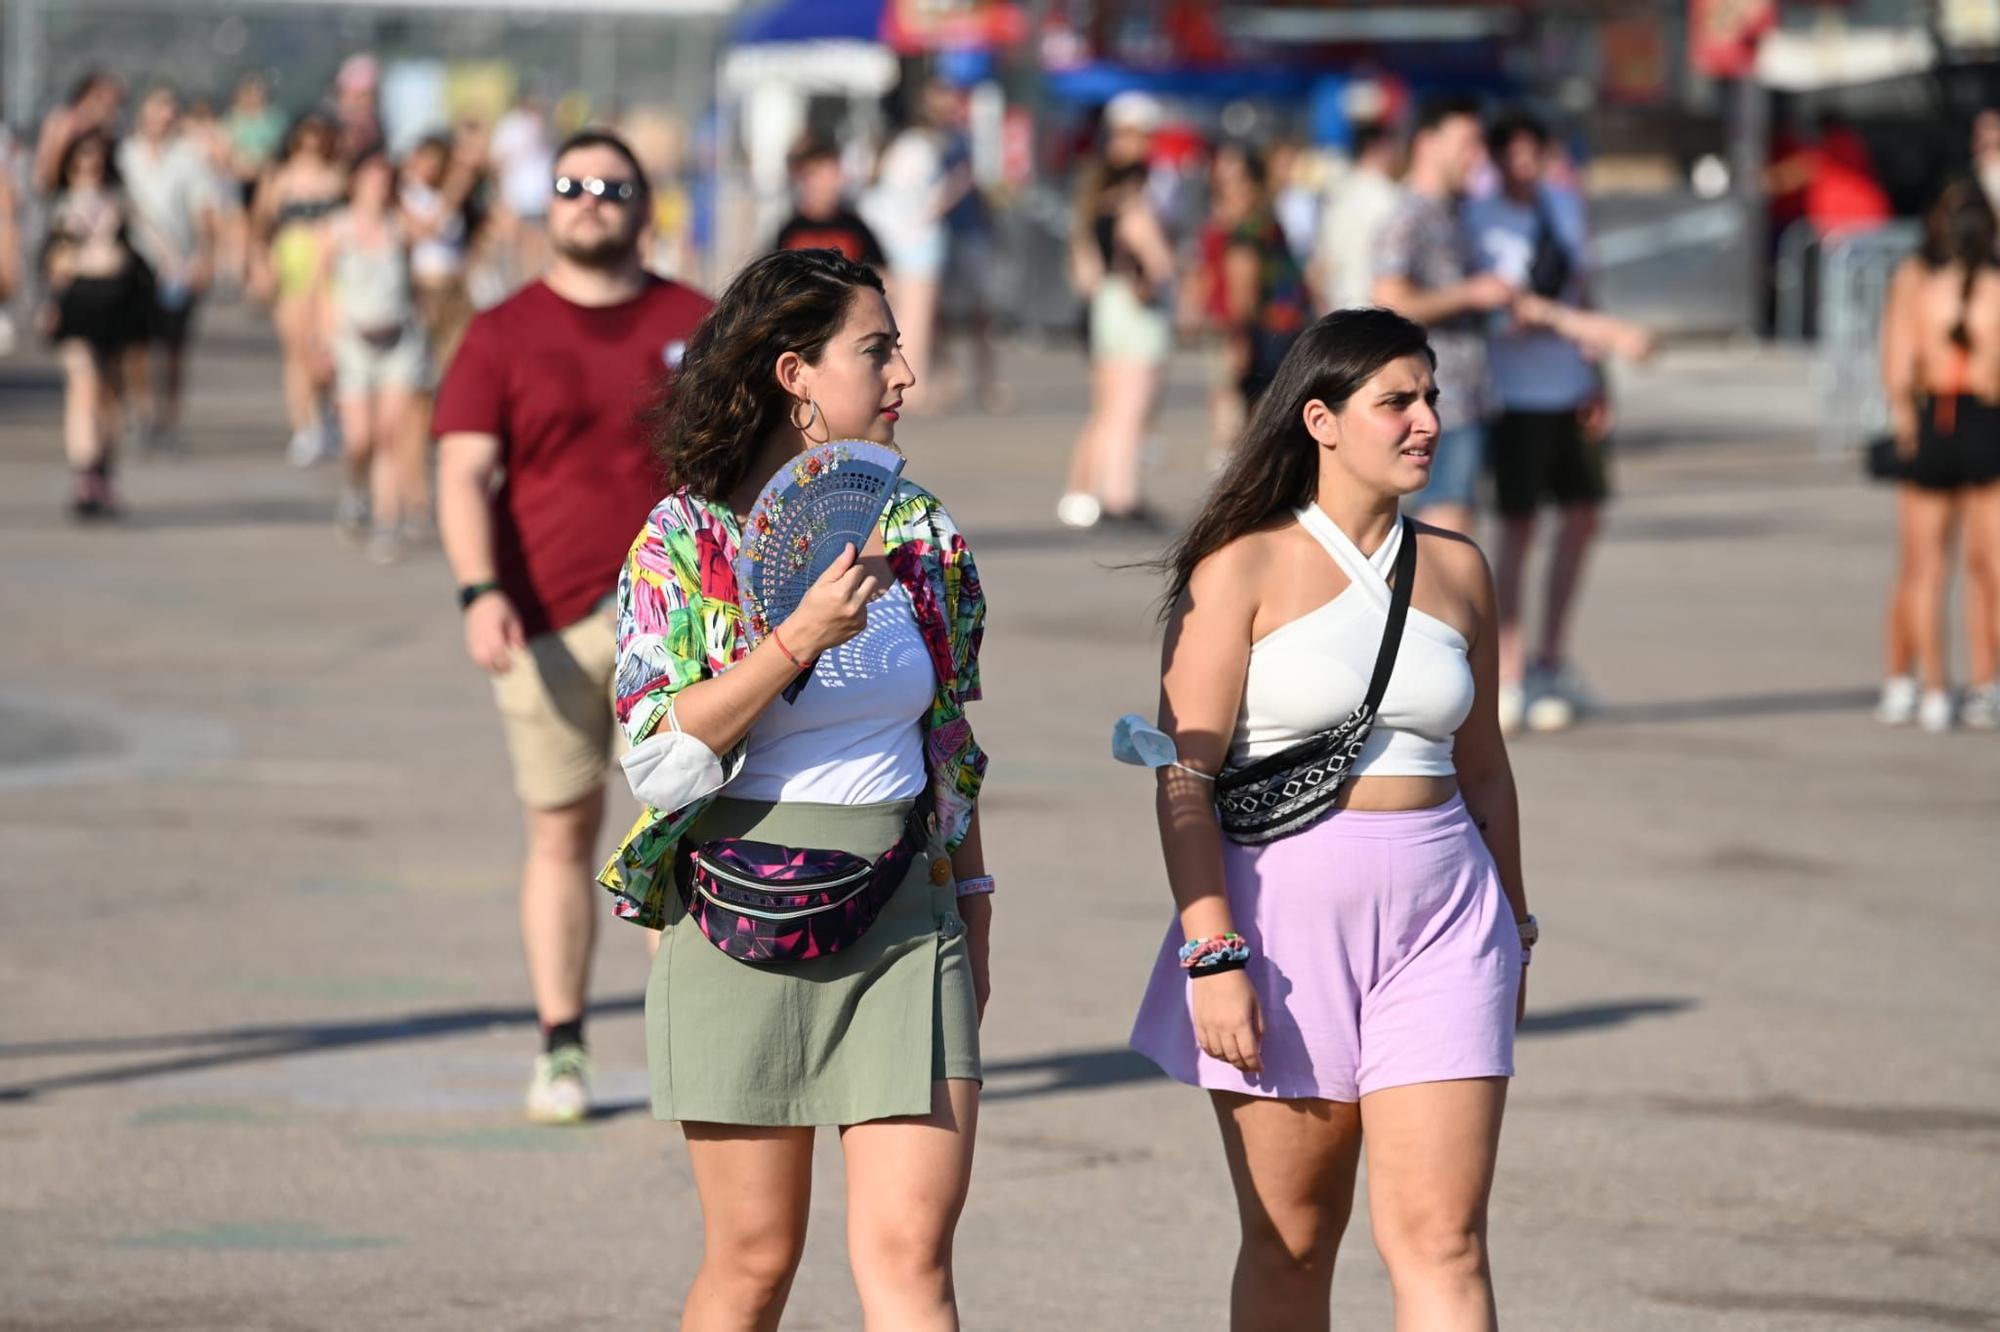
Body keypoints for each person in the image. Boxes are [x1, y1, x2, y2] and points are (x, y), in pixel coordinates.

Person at [595, 246, 992, 1330]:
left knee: (913, 1261)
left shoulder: (919, 539)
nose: (904, 374)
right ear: (795, 376)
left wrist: (974, 900)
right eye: (876, 350)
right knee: (754, 1265)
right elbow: (659, 756)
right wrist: (792, 642)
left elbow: (948, 738)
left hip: (908, 917)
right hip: (737, 917)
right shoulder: (684, 541)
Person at [1128, 308, 1532, 1330]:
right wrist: (1209, 947)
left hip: (1445, 922)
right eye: (1395, 401)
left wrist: (1513, 928)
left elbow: (1484, 770)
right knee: (1293, 1239)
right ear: (1319, 419)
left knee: (1444, 1241)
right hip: (1280, 929)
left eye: (1430, 397)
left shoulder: (1456, 568)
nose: (1426, 421)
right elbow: (1184, 776)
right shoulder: (1240, 567)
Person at [433, 129, 713, 1123]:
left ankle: (682, 1051)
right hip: (543, 621)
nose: (590, 199)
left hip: (677, 631)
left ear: (646, 206)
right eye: (571, 185)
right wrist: (479, 589)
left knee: (677, 838)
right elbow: (463, 470)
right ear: (546, 205)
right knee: (560, 835)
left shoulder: (694, 320)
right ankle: (561, 1047)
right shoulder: (501, 332)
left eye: (612, 186)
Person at [1465, 111, 1609, 734]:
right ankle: (1511, 670)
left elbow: (1587, 295)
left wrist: (1600, 377)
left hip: (1570, 385)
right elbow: (1487, 307)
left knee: (1581, 517)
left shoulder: (1566, 206)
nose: (1524, 165)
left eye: (1534, 152)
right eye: (1512, 154)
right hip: (1515, 392)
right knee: (1518, 531)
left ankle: (1552, 657)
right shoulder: (1480, 218)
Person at [1879, 178, 2000, 732]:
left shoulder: (1920, 284)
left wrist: (1907, 428)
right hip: (1986, 422)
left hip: (1937, 421)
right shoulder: (1995, 287)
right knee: (1988, 569)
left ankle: (1931, 687)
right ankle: (1985, 682)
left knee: (1925, 568)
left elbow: (1899, 369)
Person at [1372, 98, 1515, 536]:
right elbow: (1389, 300)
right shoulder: (1408, 213)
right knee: (1445, 531)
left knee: (1455, 524)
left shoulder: (1455, 212)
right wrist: (1472, 293)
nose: (1479, 156)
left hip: (1465, 396)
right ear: (1428, 143)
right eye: (1467, 142)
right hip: (1438, 399)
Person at [1058, 96, 1177, 530]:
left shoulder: (1094, 192)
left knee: (1108, 406)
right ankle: (1120, 495)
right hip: (1133, 307)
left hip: (1107, 303)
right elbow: (1157, 257)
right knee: (1132, 405)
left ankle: (1082, 490)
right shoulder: (1134, 195)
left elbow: (1085, 265)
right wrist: (1162, 270)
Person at [317, 151, 427, 564]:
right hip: (352, 342)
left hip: (400, 340)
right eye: (371, 179)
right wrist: (322, 341)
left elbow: (424, 256)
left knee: (390, 434)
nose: (378, 187)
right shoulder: (337, 228)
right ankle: (354, 492)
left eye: (386, 180)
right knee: (360, 437)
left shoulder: (400, 226)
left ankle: (387, 521)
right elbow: (321, 287)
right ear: (355, 181)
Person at [42, 129, 149, 519]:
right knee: (82, 385)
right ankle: (84, 471)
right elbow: (53, 263)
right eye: (80, 164)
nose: (88, 171)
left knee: (109, 394)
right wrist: (51, 303)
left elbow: (147, 244)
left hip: (117, 305)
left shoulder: (120, 204)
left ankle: (103, 470)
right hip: (77, 304)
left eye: (95, 165)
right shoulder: (60, 208)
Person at [118, 86, 219, 455]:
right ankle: (144, 413)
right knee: (136, 345)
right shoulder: (124, 155)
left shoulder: (189, 157)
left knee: (173, 347)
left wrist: (206, 256)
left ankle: (171, 416)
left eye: (170, 109)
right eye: (157, 108)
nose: (164, 116)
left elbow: (205, 209)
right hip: (135, 263)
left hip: (180, 265)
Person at [251, 113, 346, 467]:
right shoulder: (279, 179)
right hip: (293, 268)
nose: (311, 146)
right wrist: (260, 266)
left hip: (335, 270)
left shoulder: (338, 177)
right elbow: (261, 227)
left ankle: (331, 413)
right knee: (297, 352)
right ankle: (305, 424)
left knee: (333, 349)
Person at [865, 106, 950, 411]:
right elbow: (930, 198)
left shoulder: (894, 151)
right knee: (917, 318)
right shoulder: (922, 150)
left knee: (898, 315)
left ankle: (909, 380)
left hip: (890, 241)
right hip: (918, 241)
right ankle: (916, 385)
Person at [1218, 144, 1312, 412]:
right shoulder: (1270, 223)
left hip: (1265, 334)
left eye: (1234, 184)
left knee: (1258, 417)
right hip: (1288, 326)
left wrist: (1240, 340)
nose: (1227, 193)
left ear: (1252, 186)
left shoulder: (1247, 233)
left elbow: (1242, 294)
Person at [1315, 122, 1402, 312]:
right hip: (1376, 311)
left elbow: (1322, 263)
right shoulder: (1389, 197)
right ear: (1378, 147)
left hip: (1339, 308)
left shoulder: (1339, 193)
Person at [771, 138, 886, 269]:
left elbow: (881, 274)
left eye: (833, 177)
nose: (829, 186)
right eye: (821, 178)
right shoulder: (790, 231)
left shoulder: (856, 228)